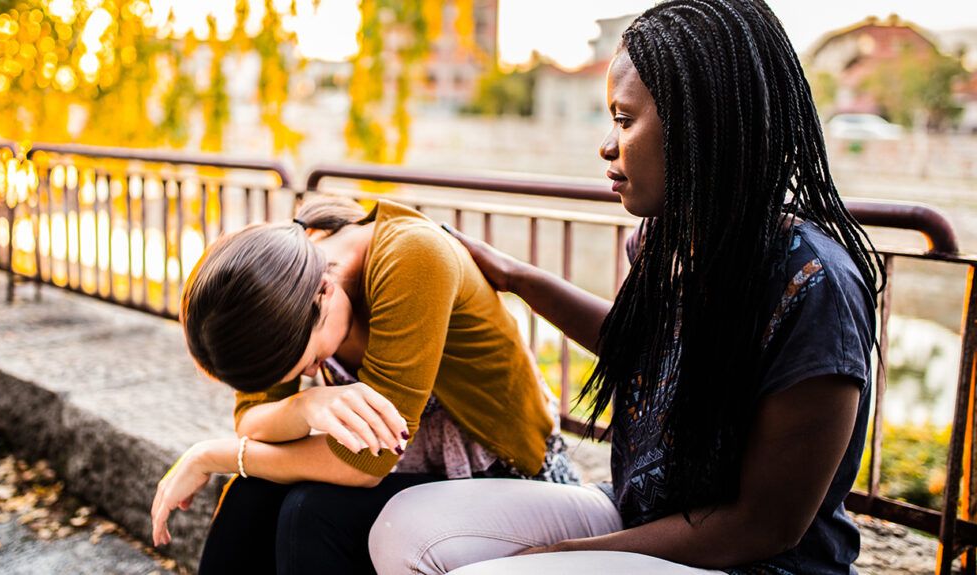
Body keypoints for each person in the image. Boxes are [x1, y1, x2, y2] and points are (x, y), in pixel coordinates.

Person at [368, 1, 883, 574]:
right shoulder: (665, 242)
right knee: (404, 525)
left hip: (758, 563)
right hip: (640, 515)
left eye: (624, 118)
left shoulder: (814, 285)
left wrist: (564, 556)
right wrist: (513, 277)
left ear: (701, 124)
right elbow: (640, 343)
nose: (607, 147)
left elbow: (764, 525)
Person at [150, 196, 579, 574]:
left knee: (311, 512)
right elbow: (250, 420)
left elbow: (363, 465)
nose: (308, 373)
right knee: (252, 492)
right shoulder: (280, 280)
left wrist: (211, 455)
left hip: (506, 478)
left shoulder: (411, 257)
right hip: (410, 474)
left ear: (324, 290)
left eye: (310, 363)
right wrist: (305, 405)